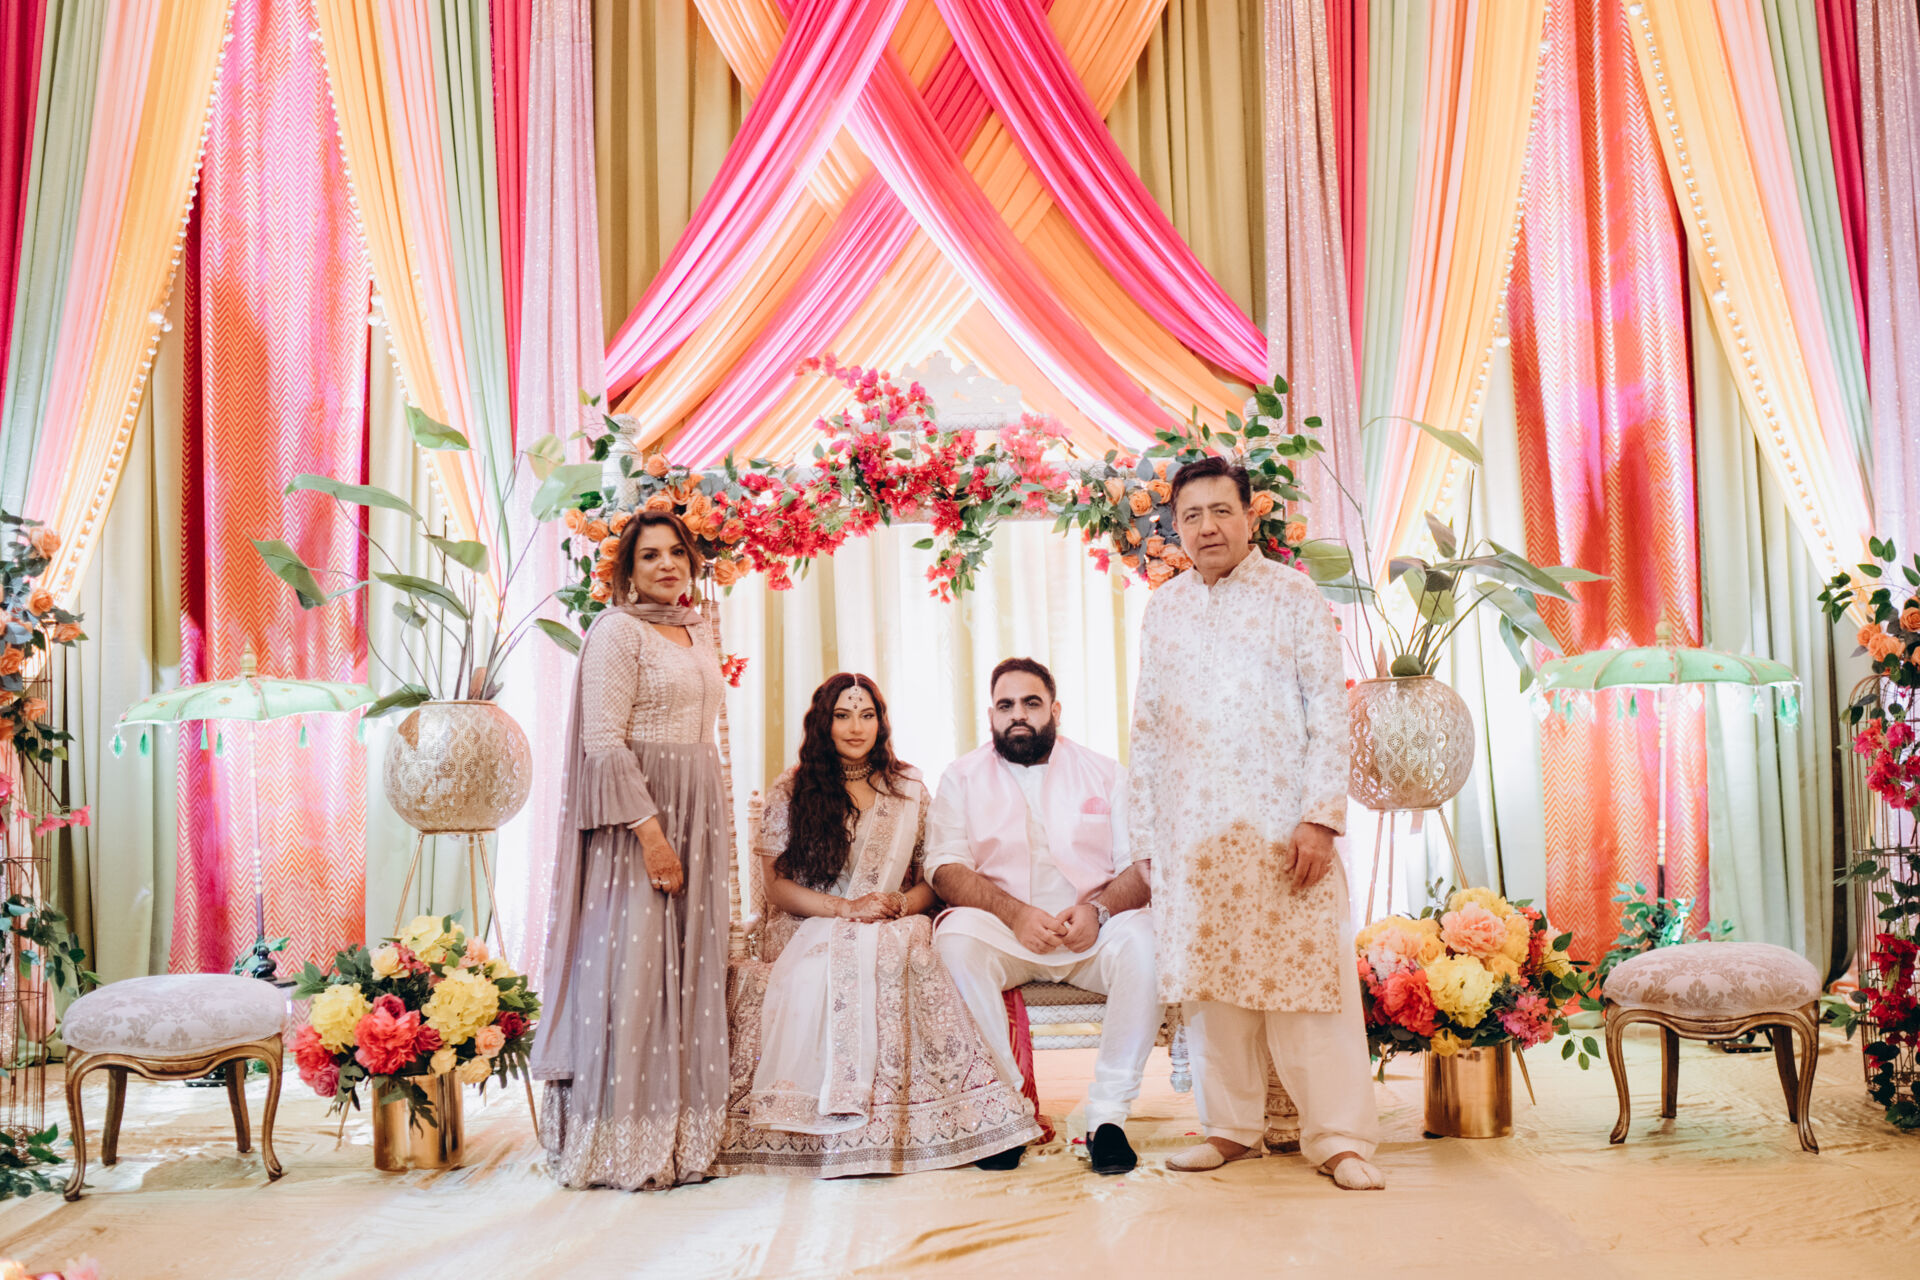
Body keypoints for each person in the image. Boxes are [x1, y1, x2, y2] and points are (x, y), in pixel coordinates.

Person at [1128, 455, 1384, 1189]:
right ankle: (1230, 1129)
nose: (1207, 527)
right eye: (1191, 516)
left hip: (1283, 831)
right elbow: (1147, 730)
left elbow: (1329, 713)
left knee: (1309, 988)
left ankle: (1338, 1139)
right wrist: (1147, 839)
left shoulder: (1294, 595)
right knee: (1213, 993)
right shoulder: (1165, 608)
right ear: (1175, 528)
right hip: (1194, 835)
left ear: (1250, 516)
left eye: (1221, 511)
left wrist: (1320, 819)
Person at [715, 674, 1042, 1176]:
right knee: (872, 949)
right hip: (808, 920)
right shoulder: (793, 789)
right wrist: (846, 910)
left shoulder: (908, 788)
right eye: (843, 715)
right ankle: (844, 1124)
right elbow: (776, 887)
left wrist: (898, 903)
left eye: (867, 715)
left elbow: (933, 877)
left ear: (881, 722)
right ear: (823, 722)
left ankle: (968, 1117)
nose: (856, 727)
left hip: (891, 916)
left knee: (905, 945)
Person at [531, 511, 731, 1191]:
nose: (667, 564)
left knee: (691, 970)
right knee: (636, 970)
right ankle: (622, 1145)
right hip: (639, 821)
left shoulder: (698, 626)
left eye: (677, 552)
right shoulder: (617, 631)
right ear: (627, 569)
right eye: (650, 555)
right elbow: (603, 742)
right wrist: (653, 837)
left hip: (698, 811)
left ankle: (682, 1139)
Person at [927, 657, 1160, 1176]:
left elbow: (1141, 867)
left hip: (1090, 933)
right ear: (991, 715)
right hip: (1005, 932)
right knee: (955, 940)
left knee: (1146, 941)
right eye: (1006, 705)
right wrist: (1014, 915)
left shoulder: (1106, 772)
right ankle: (1008, 1113)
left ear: (1054, 710)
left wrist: (1098, 909)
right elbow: (944, 868)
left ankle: (1108, 1118)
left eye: (1031, 703)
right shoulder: (961, 777)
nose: (1018, 714)